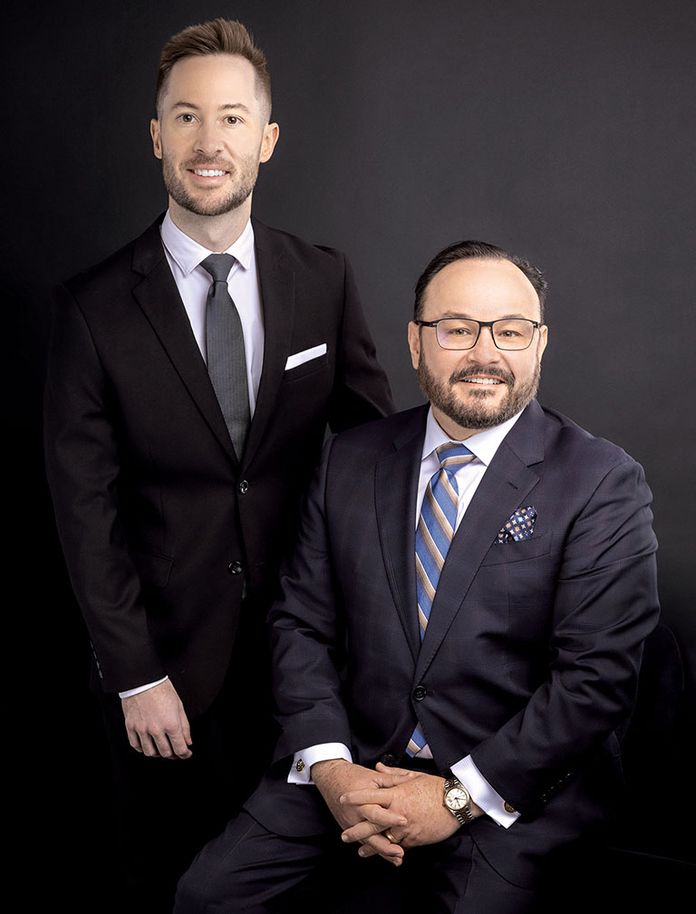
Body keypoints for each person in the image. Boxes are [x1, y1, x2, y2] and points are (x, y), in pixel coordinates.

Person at [176, 240, 660, 913]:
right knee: (207, 897)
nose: (485, 354)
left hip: (511, 790)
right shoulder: (350, 461)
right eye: (457, 329)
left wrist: (458, 798)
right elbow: (299, 624)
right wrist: (332, 769)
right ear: (415, 342)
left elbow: (597, 679)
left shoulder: (601, 482)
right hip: (356, 763)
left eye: (510, 331)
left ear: (540, 344)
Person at [43, 18, 392, 912]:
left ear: (266, 140)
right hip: (164, 673)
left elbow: (373, 457)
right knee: (165, 883)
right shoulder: (91, 310)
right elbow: (84, 510)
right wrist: (134, 674)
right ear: (157, 136)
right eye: (187, 117)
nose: (210, 141)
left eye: (232, 118)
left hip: (308, 660)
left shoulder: (323, 279)